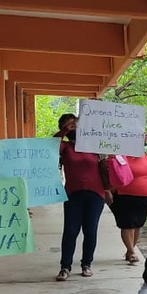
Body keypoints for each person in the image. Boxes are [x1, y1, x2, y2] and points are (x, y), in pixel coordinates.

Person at [55, 114, 109, 281]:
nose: (73, 127)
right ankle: (65, 267)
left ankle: (87, 264)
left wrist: (108, 191)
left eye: (75, 124)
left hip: (96, 194)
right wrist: (65, 130)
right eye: (68, 125)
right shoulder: (65, 147)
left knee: (90, 230)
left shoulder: (94, 145)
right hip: (72, 194)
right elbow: (49, 145)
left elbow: (105, 165)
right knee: (70, 231)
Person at [108, 152, 147, 264]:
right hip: (124, 195)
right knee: (128, 224)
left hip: (144, 196)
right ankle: (131, 251)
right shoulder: (118, 156)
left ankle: (131, 250)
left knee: (138, 224)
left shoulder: (144, 155)